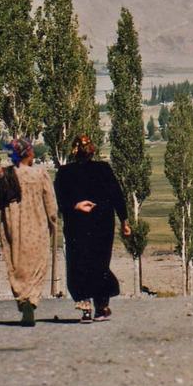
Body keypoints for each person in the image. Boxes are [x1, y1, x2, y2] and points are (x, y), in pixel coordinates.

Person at [54, 134, 132, 322]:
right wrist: (124, 221)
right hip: (102, 223)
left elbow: (58, 199)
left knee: (79, 262)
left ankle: (86, 307)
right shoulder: (103, 169)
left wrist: (75, 206)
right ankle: (101, 307)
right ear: (92, 150)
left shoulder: (64, 173)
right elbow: (117, 195)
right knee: (100, 263)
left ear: (74, 151)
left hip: (77, 224)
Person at [0, 138, 60, 326]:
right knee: (37, 264)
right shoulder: (40, 174)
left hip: (13, 227)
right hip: (37, 226)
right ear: (28, 153)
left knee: (17, 264)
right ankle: (32, 300)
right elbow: (51, 204)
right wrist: (53, 222)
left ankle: (22, 299)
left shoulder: (4, 174)